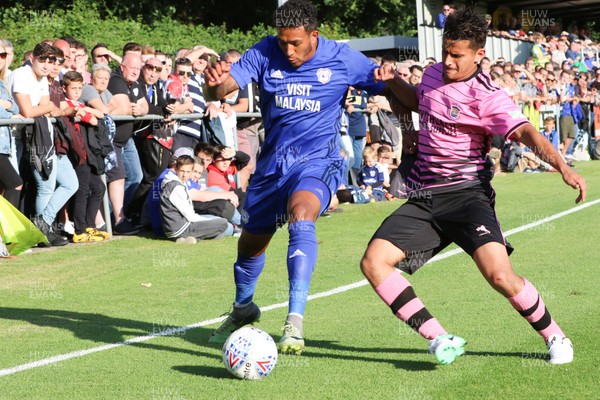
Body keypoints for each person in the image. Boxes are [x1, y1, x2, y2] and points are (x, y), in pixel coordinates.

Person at [364, 8, 585, 365]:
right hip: (424, 197)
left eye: (457, 55)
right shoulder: (434, 74)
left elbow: (526, 132)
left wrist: (561, 165)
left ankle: (556, 336)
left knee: (500, 275)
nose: (447, 61)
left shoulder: (488, 96)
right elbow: (416, 100)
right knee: (374, 262)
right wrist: (392, 82)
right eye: (446, 50)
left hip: (468, 197)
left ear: (479, 54)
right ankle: (438, 337)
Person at [204, 0, 385, 354]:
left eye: (296, 43)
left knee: (303, 214)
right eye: (282, 41)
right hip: (272, 166)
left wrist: (400, 105)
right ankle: (243, 308)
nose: (288, 50)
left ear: (313, 35)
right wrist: (213, 86)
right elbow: (223, 90)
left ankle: (294, 322)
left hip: (319, 160)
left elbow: (387, 87)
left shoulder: (343, 58)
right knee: (250, 246)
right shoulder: (264, 50)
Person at [59, 71, 110, 242]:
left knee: (98, 188)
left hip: (86, 151)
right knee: (82, 190)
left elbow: (101, 115)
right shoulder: (65, 104)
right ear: (64, 88)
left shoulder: (79, 103)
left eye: (80, 88)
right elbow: (93, 120)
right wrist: (84, 112)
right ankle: (79, 230)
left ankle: (89, 226)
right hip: (76, 152)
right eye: (73, 88)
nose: (77, 91)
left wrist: (85, 108)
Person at [159, 154, 231, 243]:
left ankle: (191, 239)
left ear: (191, 171)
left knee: (219, 234)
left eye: (188, 172)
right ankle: (189, 237)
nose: (184, 175)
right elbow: (190, 216)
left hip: (175, 228)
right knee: (223, 223)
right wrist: (209, 221)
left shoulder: (174, 182)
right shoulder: (176, 187)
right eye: (182, 171)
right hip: (180, 228)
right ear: (176, 170)